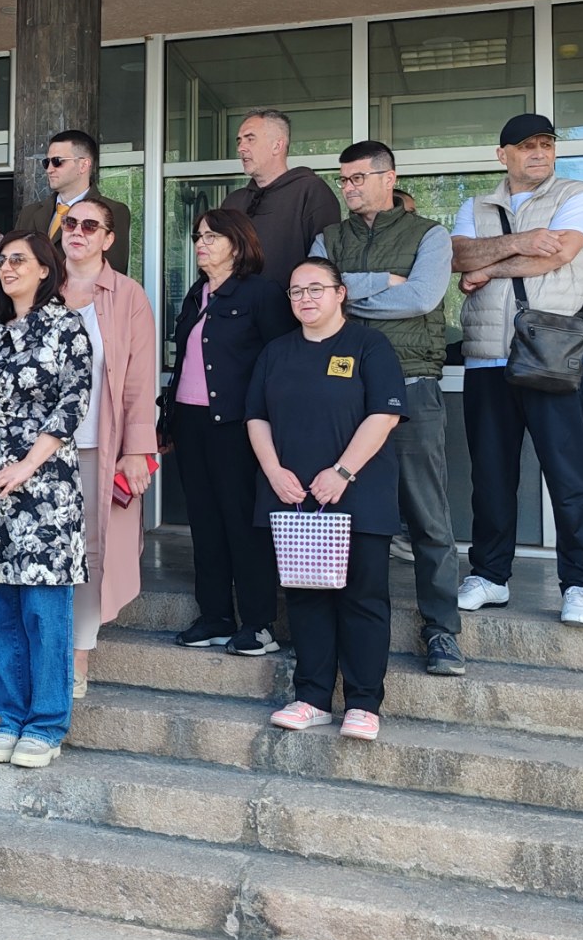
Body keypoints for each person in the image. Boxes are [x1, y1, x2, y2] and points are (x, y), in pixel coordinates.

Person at [451, 113, 583, 627]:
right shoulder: (475, 206)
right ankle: (489, 575)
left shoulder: (579, 196)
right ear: (503, 155)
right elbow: (457, 256)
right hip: (486, 356)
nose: (539, 152)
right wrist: (521, 241)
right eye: (526, 146)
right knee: (490, 476)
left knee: (570, 475)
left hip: (552, 354)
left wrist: (489, 266)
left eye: (546, 144)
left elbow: (558, 255)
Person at [312, 141, 464, 676]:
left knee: (426, 515)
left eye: (358, 178)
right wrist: (381, 282)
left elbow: (422, 298)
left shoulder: (430, 235)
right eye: (344, 180)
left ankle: (442, 630)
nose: (348, 188)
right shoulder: (329, 237)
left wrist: (348, 294)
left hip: (412, 384)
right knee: (338, 511)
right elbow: (315, 292)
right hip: (342, 389)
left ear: (389, 177)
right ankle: (326, 630)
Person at [248, 259, 406, 742]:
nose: (305, 299)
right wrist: (273, 472)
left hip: (359, 496)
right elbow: (256, 417)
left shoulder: (369, 346)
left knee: (363, 599)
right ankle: (312, 698)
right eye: (296, 291)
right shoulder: (276, 352)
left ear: (340, 294)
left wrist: (342, 472)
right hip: (294, 500)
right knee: (304, 597)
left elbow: (384, 415)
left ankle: (363, 703)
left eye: (316, 289)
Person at [0, 230, 92, 768]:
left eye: (19, 259)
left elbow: (72, 403)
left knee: (43, 611)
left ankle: (46, 725)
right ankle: (11, 718)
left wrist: (26, 465)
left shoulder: (66, 326)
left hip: (45, 489)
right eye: (2, 260)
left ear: (44, 269)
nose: (7, 267)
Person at [157, 209, 291, 654]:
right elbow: (184, 363)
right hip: (190, 422)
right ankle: (214, 615)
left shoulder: (261, 293)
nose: (201, 243)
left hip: (237, 424)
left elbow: (279, 362)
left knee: (242, 521)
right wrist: (166, 420)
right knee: (204, 521)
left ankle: (258, 623)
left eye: (212, 236)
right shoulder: (196, 294)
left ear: (237, 243)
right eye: (199, 236)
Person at [58, 198, 158, 697]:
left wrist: (137, 449)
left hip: (99, 444)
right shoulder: (41, 286)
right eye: (70, 223)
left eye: (90, 225)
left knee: (91, 552)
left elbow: (139, 378)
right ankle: (45, 649)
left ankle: (77, 658)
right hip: (39, 451)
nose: (77, 232)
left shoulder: (128, 295)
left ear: (108, 238)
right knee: (47, 548)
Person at [221, 110, 342, 281]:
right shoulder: (233, 201)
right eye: (239, 141)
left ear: (277, 146)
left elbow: (325, 265)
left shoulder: (310, 191)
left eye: (250, 139)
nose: (241, 148)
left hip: (292, 297)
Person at [15, 129, 132, 273]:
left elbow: (113, 272)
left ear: (83, 165)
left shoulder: (113, 210)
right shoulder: (29, 213)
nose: (49, 169)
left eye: (57, 161)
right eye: (47, 162)